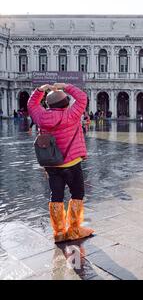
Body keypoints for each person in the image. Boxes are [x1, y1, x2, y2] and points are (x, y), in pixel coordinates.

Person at [28, 83, 94, 243]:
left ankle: (58, 232)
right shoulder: (71, 114)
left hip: (51, 163)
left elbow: (31, 104)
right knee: (77, 194)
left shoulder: (41, 117)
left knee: (56, 195)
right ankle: (74, 229)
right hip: (72, 162)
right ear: (65, 103)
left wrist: (39, 91)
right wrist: (65, 86)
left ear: (49, 104)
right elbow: (82, 97)